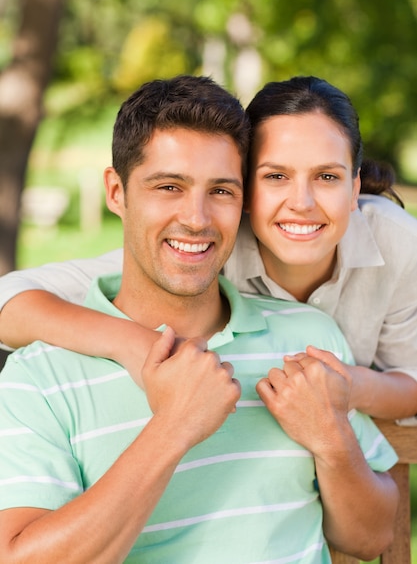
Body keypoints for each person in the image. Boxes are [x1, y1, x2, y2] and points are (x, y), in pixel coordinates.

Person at [0, 75, 398, 563]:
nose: (197, 218)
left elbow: (371, 539)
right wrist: (173, 428)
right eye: (169, 186)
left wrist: (333, 441)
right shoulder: (39, 377)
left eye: (221, 191)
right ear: (116, 191)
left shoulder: (310, 338)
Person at [1, 76, 416, 424]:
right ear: (244, 188)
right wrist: (132, 343)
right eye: (276, 176)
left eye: (327, 176)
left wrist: (348, 386)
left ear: (354, 188)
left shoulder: (395, 242)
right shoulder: (206, 247)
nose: (302, 202)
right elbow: (9, 300)